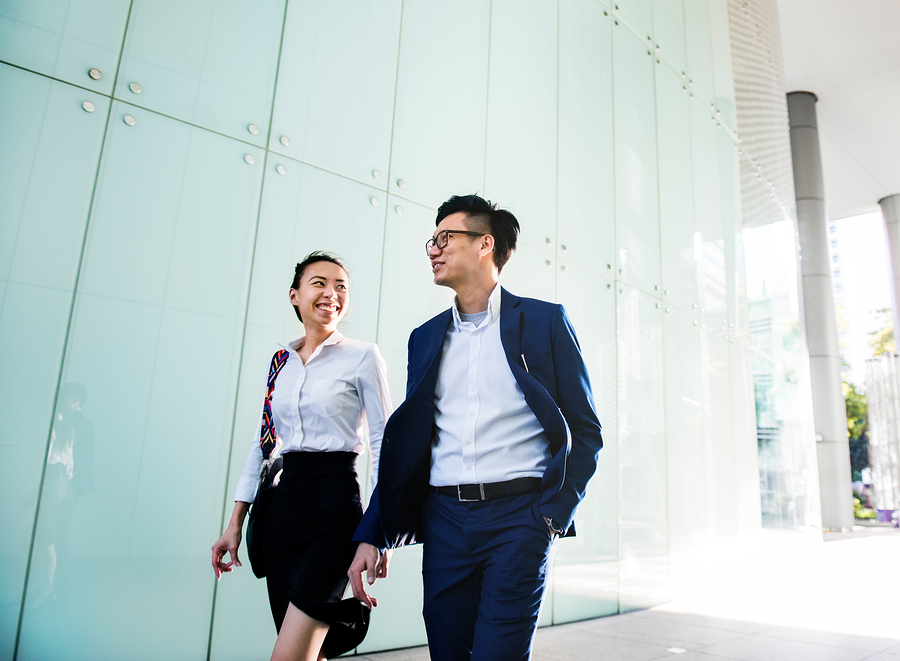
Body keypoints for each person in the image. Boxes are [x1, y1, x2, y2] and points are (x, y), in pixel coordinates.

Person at [348, 194, 604, 660]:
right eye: (433, 240)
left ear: (486, 243)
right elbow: (410, 449)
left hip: (520, 521)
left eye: (446, 238)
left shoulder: (544, 321)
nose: (434, 248)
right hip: (444, 522)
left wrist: (551, 516)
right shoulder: (425, 337)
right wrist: (373, 531)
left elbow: (585, 431)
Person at [212, 252, 392, 661]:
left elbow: (386, 447)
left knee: (288, 657)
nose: (332, 293)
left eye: (341, 286)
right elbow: (263, 445)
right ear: (295, 296)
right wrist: (234, 523)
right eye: (320, 283)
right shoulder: (280, 364)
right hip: (281, 510)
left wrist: (377, 534)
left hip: (335, 508)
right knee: (310, 654)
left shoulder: (364, 355)